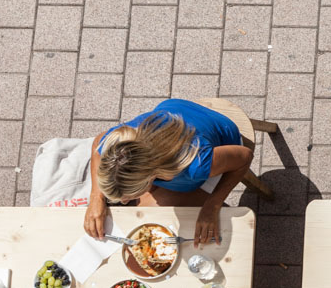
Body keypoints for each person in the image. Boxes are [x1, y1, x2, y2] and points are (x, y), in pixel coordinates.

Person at [85, 99, 253, 245]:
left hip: (223, 138)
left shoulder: (196, 165)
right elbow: (98, 143)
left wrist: (213, 205)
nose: (123, 201)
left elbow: (245, 157)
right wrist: (96, 197)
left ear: (151, 177)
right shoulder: (122, 143)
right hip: (177, 110)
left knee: (159, 218)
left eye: (127, 196)